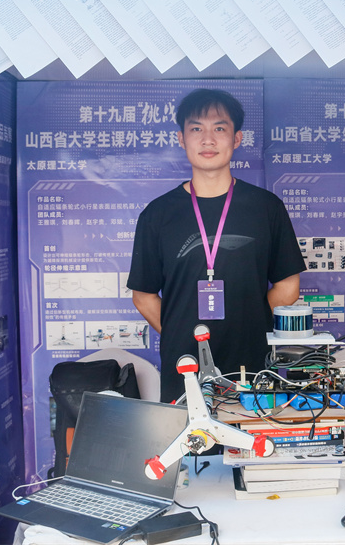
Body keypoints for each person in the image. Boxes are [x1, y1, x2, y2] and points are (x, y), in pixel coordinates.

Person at [127, 88, 305, 403]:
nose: (208, 140)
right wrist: (180, 333)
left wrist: (251, 326)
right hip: (185, 365)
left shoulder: (266, 208)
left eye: (219, 129)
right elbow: (143, 296)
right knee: (192, 435)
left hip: (252, 363)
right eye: (196, 129)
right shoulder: (158, 214)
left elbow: (288, 285)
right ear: (181, 138)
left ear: (236, 138)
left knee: (252, 434)